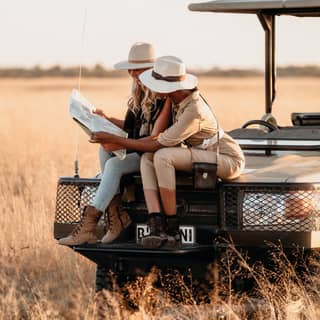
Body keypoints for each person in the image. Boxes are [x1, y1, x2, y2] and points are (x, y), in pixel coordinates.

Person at [89, 56, 245, 249]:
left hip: (228, 159)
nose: (152, 89)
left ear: (169, 87)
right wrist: (115, 137)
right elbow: (154, 140)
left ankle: (172, 228)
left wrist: (116, 141)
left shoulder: (193, 110)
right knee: (147, 159)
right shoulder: (176, 100)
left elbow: (158, 144)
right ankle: (156, 223)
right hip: (201, 154)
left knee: (162, 156)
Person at [59, 43, 171, 246]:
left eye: (137, 69)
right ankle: (115, 215)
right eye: (131, 69)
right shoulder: (140, 92)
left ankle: (91, 224)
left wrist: (116, 140)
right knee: (105, 150)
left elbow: (155, 139)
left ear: (151, 69)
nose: (132, 74)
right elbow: (132, 128)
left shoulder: (163, 96)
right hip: (139, 146)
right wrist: (106, 119)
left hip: (154, 153)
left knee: (112, 165)